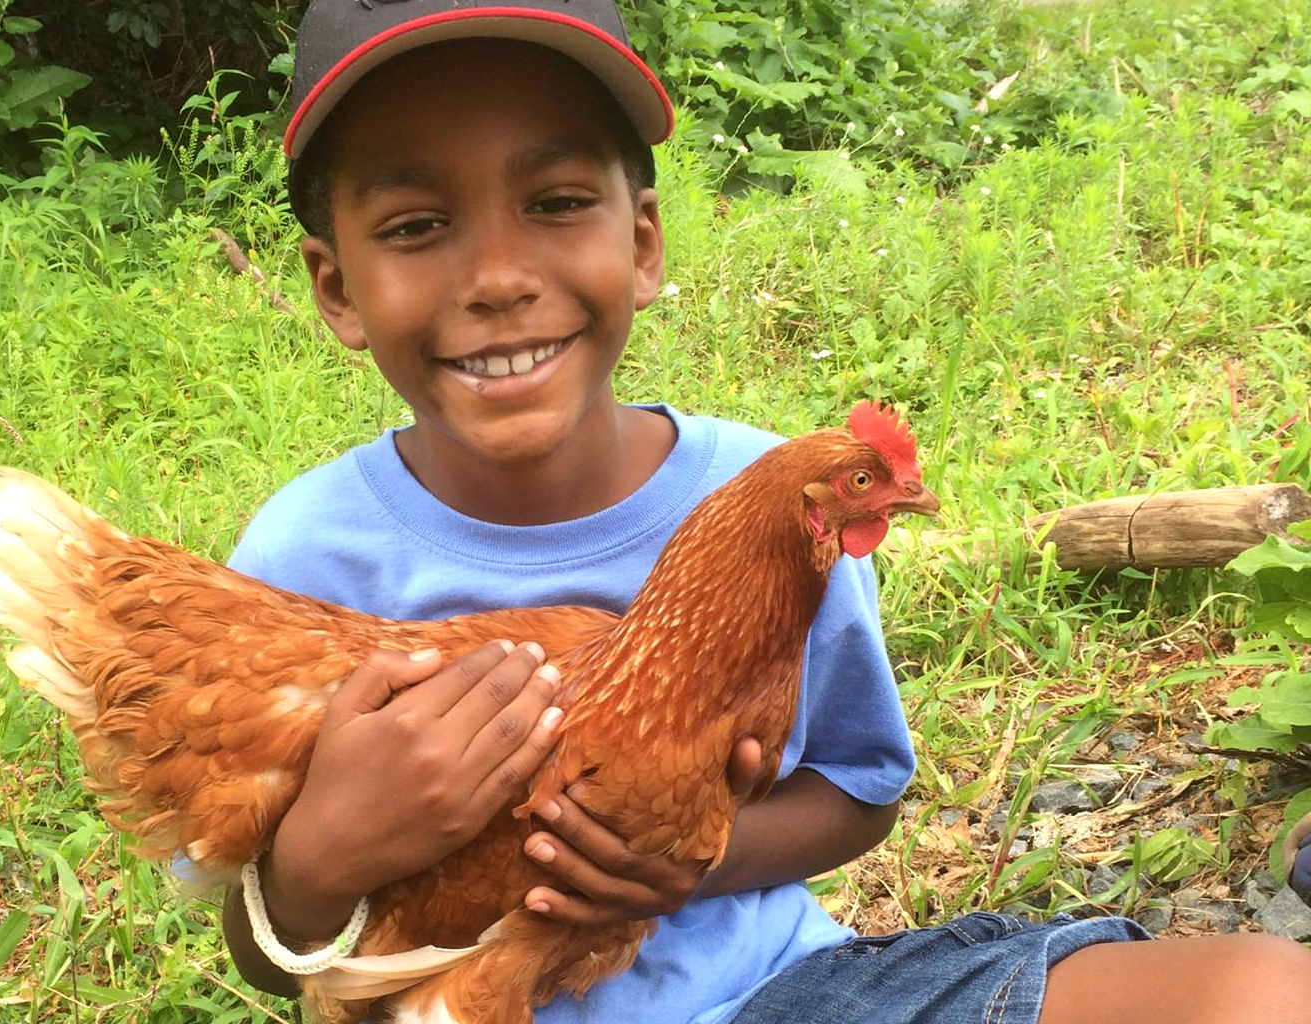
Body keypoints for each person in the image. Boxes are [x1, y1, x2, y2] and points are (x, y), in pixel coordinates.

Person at [218, 1, 1311, 1021]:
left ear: (643, 241)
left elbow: (859, 792)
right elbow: (269, 951)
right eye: (416, 224)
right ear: (335, 287)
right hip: (455, 1001)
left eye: (554, 203)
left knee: (1260, 986)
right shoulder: (305, 556)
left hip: (783, 989)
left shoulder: (772, 499)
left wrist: (700, 847)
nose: (499, 275)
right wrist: (317, 861)